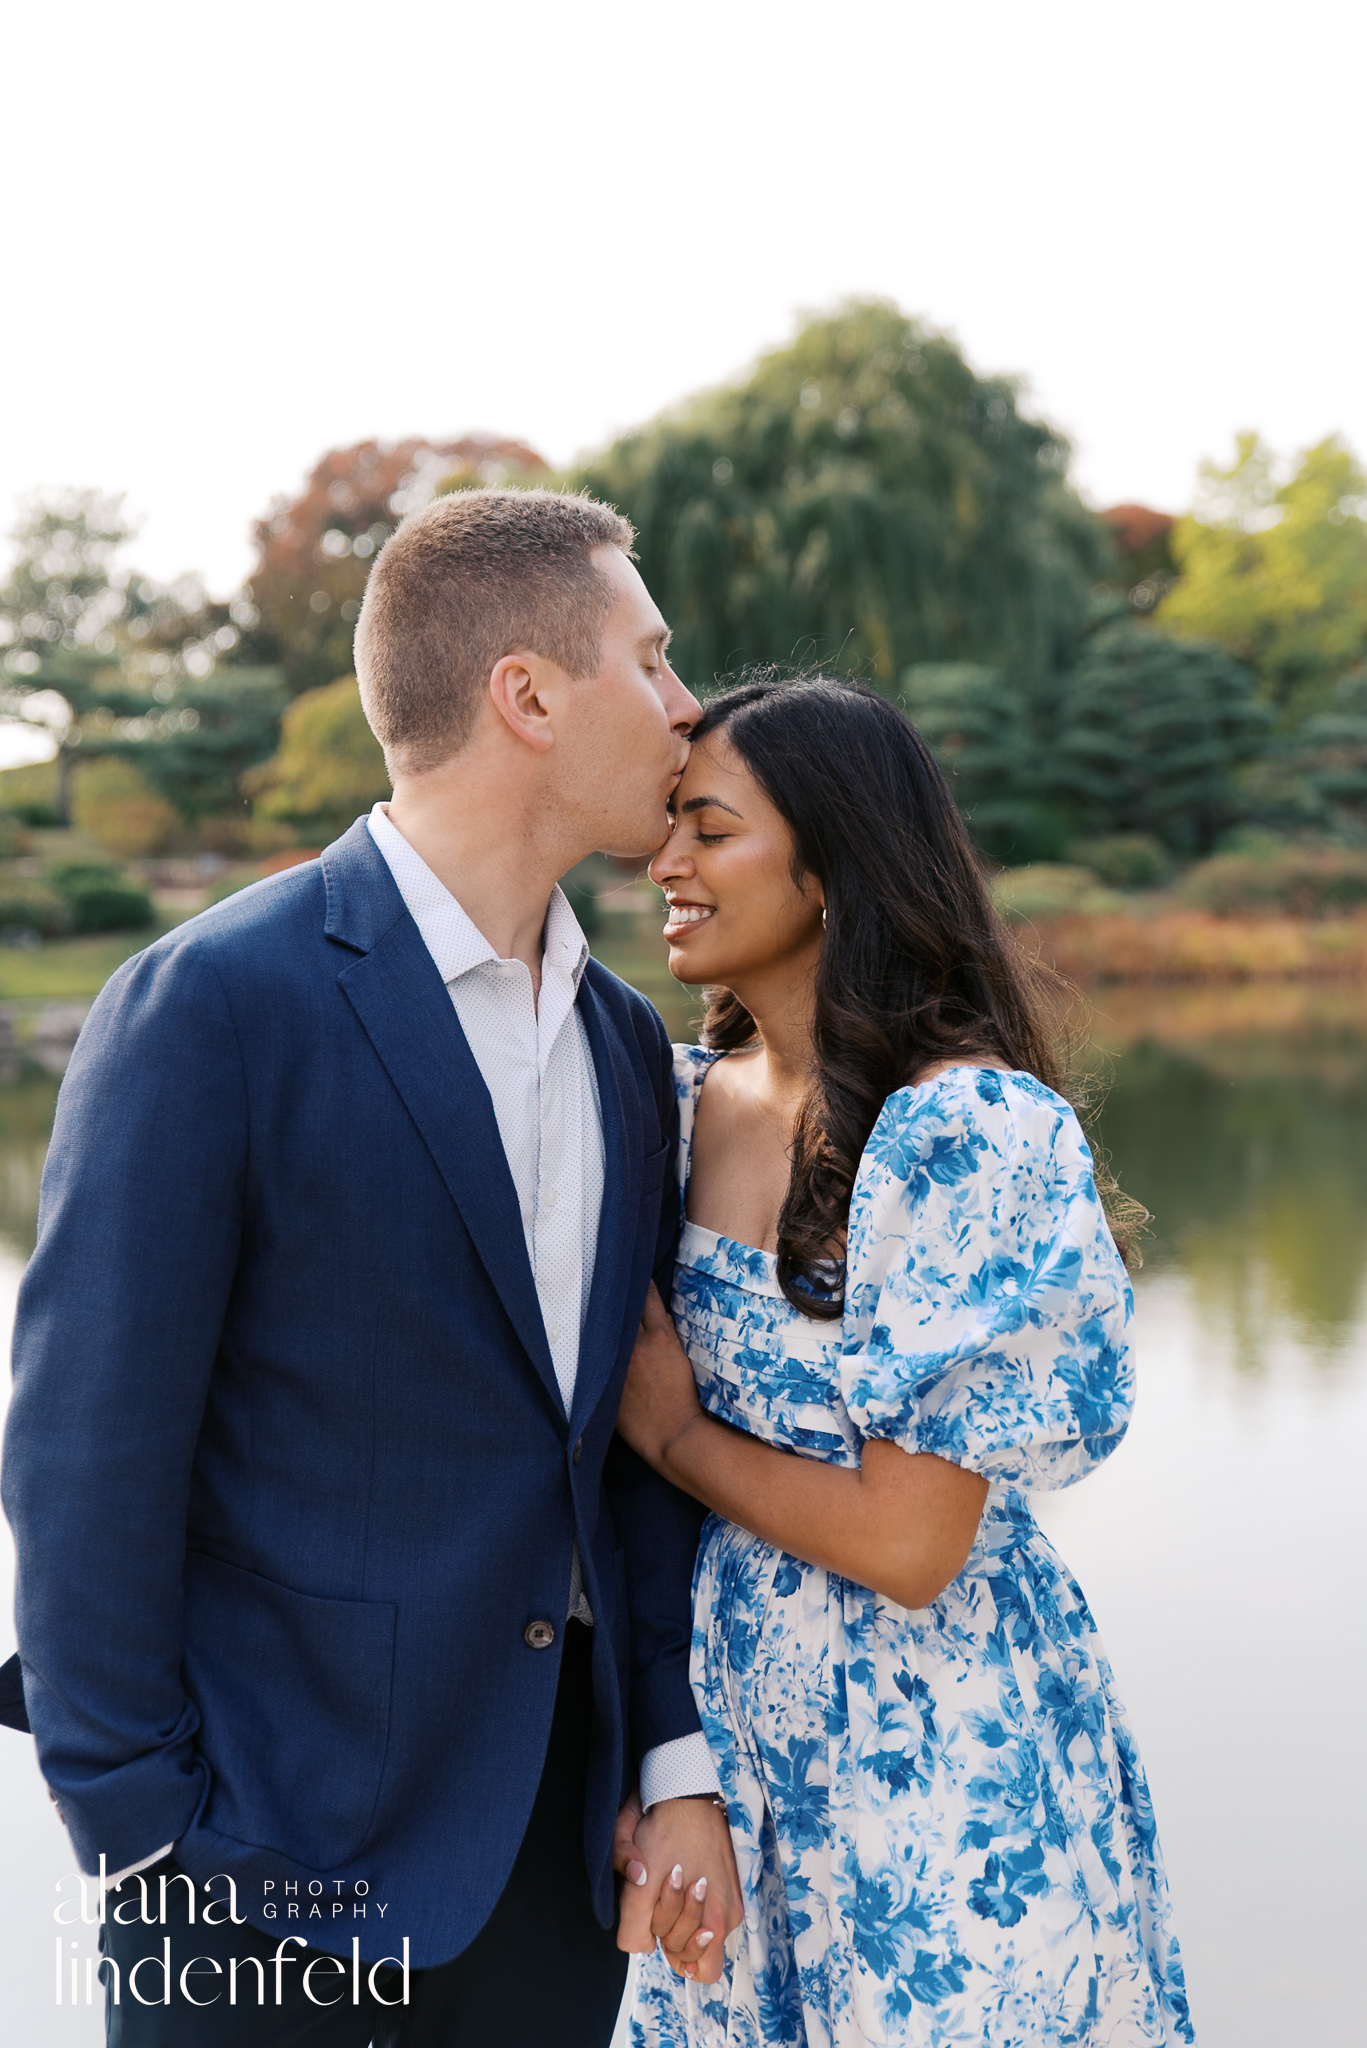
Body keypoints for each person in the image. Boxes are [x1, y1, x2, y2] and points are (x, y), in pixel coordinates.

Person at [1, 487, 741, 2047]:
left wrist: (666, 1758)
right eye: (654, 660)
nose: (688, 707)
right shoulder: (210, 1006)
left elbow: (609, 1446)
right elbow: (86, 1462)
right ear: (527, 695)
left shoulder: (622, 1047)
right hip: (261, 1856)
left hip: (550, 1860)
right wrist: (143, 1838)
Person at [614, 676, 1196, 2046]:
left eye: (710, 827)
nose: (666, 864)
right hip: (731, 1724)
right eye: (667, 824)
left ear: (832, 865)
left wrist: (678, 1434)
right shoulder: (677, 1106)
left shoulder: (963, 1131)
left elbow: (913, 1542)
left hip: (936, 1739)